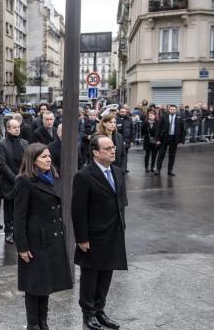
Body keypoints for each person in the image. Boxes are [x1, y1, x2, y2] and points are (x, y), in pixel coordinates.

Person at [14, 143, 73, 330]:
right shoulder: (24, 181)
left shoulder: (53, 178)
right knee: (34, 284)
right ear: (33, 160)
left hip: (52, 239)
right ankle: (33, 323)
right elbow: (19, 215)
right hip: (35, 240)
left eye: (49, 156)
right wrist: (22, 246)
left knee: (46, 282)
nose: (48, 159)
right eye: (43, 157)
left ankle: (43, 321)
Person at [72, 135, 128, 330]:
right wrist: (82, 238)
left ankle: (100, 310)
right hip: (93, 236)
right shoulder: (84, 176)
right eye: (108, 148)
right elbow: (78, 210)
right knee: (91, 276)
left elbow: (121, 201)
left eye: (113, 147)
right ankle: (88, 314)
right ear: (96, 152)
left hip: (114, 233)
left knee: (106, 274)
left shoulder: (118, 171)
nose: (113, 150)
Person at [0, 119, 28, 244]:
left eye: (18, 127)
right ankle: (8, 231)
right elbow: (1, 164)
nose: (17, 129)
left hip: (24, 180)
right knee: (9, 208)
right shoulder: (2, 144)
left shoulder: (24, 142)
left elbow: (28, 161)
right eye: (14, 127)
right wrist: (15, 178)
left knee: (22, 208)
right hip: (10, 181)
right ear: (8, 129)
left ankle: (19, 231)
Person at [156, 104, 185, 176]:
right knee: (161, 154)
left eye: (174, 109)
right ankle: (158, 169)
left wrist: (181, 141)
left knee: (172, 155)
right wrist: (158, 139)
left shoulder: (179, 118)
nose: (172, 111)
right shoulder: (164, 117)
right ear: (169, 110)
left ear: (176, 110)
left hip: (174, 138)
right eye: (171, 109)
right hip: (164, 138)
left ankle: (170, 170)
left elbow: (183, 130)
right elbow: (158, 129)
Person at [116, 107, 135, 173]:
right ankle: (118, 167)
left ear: (126, 112)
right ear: (119, 112)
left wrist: (132, 140)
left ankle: (124, 168)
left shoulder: (129, 119)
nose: (123, 113)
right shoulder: (116, 119)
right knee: (118, 154)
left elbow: (132, 130)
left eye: (124, 112)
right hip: (118, 139)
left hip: (126, 139)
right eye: (121, 111)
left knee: (125, 155)